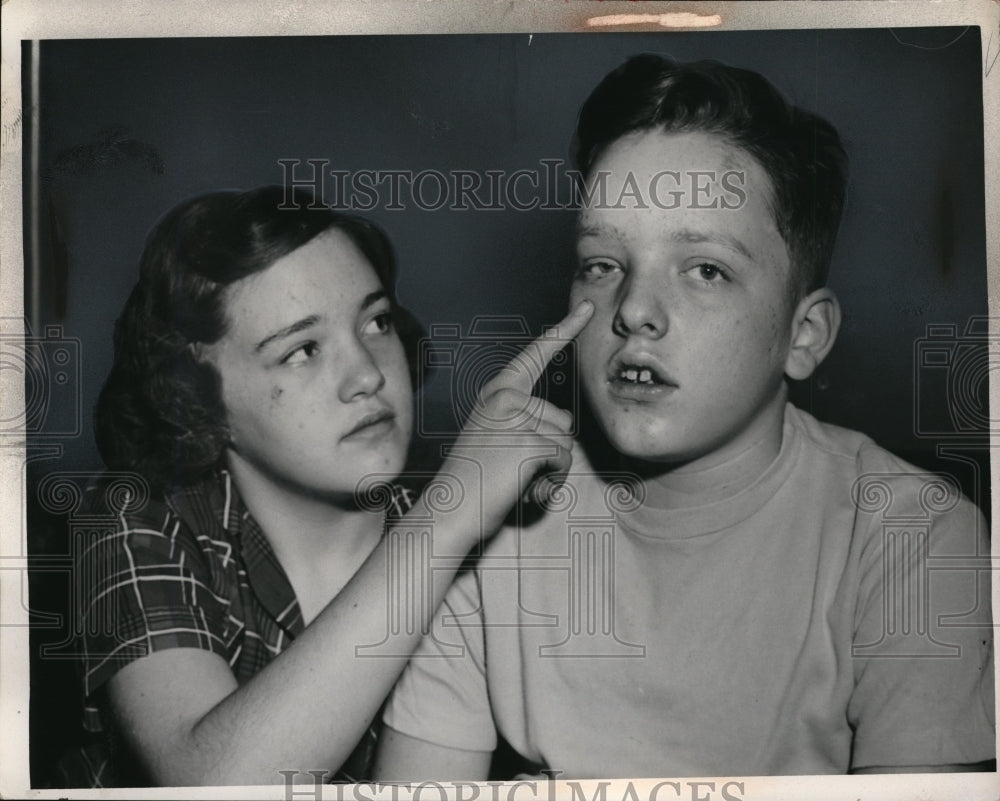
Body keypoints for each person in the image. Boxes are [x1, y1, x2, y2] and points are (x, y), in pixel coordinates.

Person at [373, 55, 996, 778]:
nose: (633, 309)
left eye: (705, 269)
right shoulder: (490, 511)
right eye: (602, 264)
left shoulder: (911, 536)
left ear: (804, 336)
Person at [63, 185, 593, 786]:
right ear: (198, 400)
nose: (368, 374)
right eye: (302, 350)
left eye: (377, 321)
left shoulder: (487, 520)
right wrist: (449, 515)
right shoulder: (136, 518)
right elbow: (211, 787)